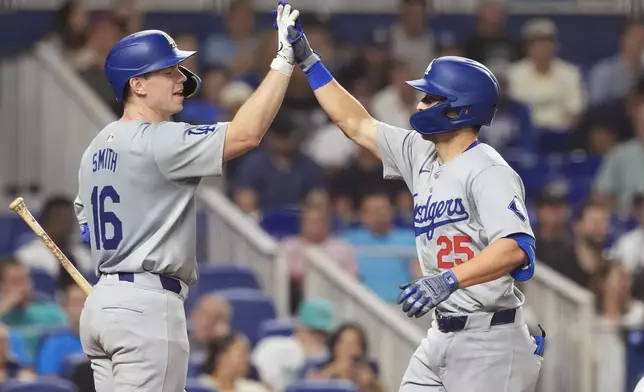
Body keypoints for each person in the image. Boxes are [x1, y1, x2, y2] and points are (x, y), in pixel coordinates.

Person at [280, 4, 543, 391]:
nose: (419, 106)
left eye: (430, 99)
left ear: (459, 109)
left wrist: (448, 280)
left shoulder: (489, 170)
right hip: (442, 333)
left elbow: (516, 247)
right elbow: (356, 123)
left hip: (490, 339)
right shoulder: (421, 152)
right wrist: (309, 60)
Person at [73, 4, 302, 391]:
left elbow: (86, 228)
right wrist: (283, 60)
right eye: (168, 71)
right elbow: (247, 134)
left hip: (104, 304)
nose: (181, 78)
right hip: (145, 307)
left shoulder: (96, 146)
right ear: (137, 84)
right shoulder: (159, 140)